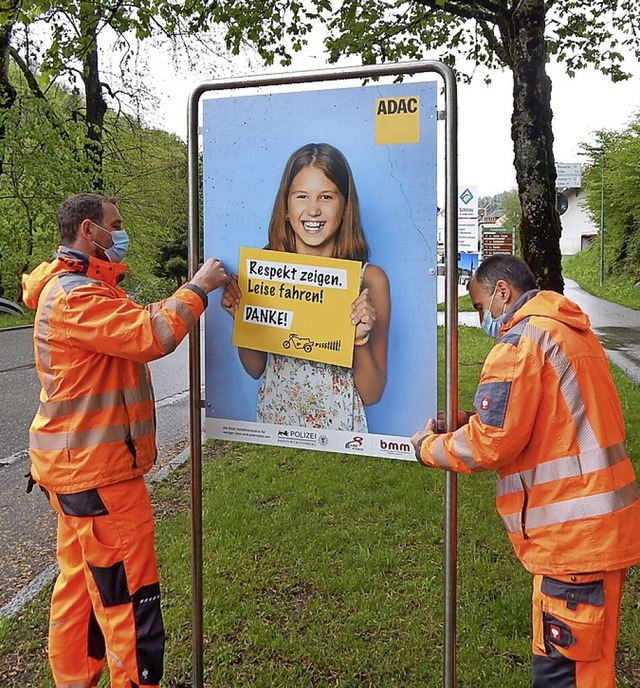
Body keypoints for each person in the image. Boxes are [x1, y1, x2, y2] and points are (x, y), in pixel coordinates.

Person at [21, 193, 228, 688]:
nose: (122, 233)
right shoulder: (74, 294)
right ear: (89, 231)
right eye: (116, 224)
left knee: (81, 592)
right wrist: (198, 287)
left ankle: (73, 680)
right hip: (100, 478)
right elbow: (150, 334)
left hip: (78, 474)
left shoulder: (83, 288)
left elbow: (134, 326)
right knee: (129, 604)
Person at [410, 254, 640, 688]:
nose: (482, 318)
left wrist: (427, 448)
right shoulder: (571, 332)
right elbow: (549, 419)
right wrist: (466, 420)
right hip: (602, 528)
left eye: (479, 306)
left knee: (563, 678)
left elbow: (491, 444)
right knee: (591, 671)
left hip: (572, 541)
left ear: (503, 292)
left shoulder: (519, 345)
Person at [221, 142, 390, 431]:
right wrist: (243, 318)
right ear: (286, 207)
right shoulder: (264, 274)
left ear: (345, 207)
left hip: (342, 434)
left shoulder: (369, 281)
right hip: (275, 430)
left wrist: (357, 339)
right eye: (301, 196)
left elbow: (373, 394)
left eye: (326, 196)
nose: (313, 210)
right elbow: (255, 369)